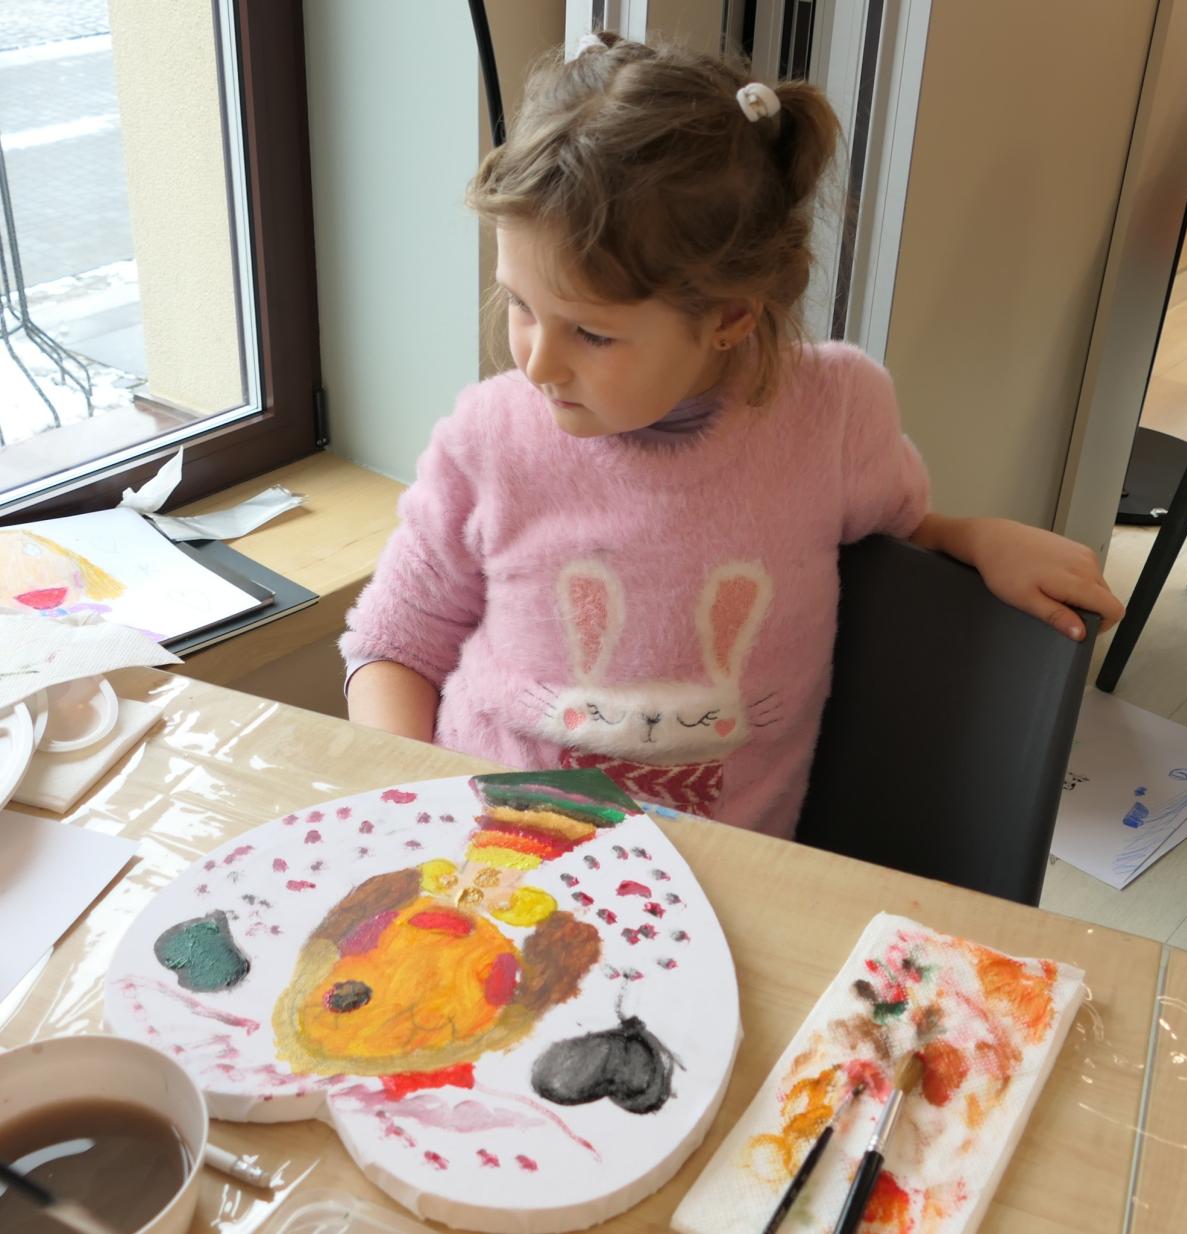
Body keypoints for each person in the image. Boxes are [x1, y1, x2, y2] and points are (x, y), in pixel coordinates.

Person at [343, 33, 1123, 838]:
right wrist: (417, 802)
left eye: (592, 334)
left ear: (730, 317)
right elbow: (393, 642)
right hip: (494, 843)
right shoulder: (488, 438)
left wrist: (976, 538)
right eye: (520, 305)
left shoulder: (832, 413)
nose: (537, 364)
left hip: (725, 867)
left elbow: (897, 536)